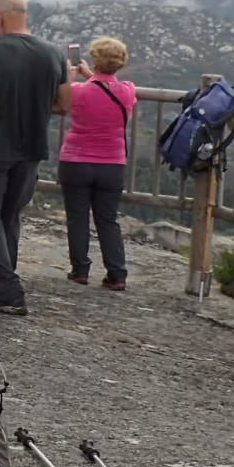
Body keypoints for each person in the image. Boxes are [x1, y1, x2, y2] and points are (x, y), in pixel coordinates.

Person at [0, 0, 70, 315]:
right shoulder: (54, 52)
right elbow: (64, 104)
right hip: (32, 147)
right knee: (10, 216)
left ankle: (7, 288)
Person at [57, 37, 137, 290]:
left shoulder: (78, 91)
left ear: (94, 60)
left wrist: (71, 77)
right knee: (108, 220)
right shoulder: (127, 90)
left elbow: (60, 103)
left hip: (76, 161)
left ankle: (80, 270)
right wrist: (92, 75)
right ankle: (117, 274)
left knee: (77, 217)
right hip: (112, 164)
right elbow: (108, 89)